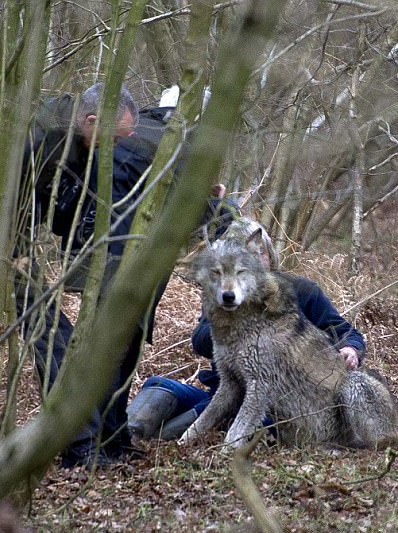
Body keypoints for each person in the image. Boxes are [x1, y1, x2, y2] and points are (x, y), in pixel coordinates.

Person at [20, 83, 238, 468]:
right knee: (113, 352)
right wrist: (221, 207)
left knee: (115, 350)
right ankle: (92, 445)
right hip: (124, 264)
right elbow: (194, 215)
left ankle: (111, 437)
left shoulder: (142, 139)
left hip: (109, 258)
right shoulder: (172, 144)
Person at [126, 218, 367, 441]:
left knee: (178, 431)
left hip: (272, 405)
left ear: (269, 255)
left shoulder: (301, 290)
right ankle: (126, 432)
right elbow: (199, 342)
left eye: (257, 253)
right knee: (159, 386)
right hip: (219, 393)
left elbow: (346, 332)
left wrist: (351, 349)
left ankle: (162, 443)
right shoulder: (221, 294)